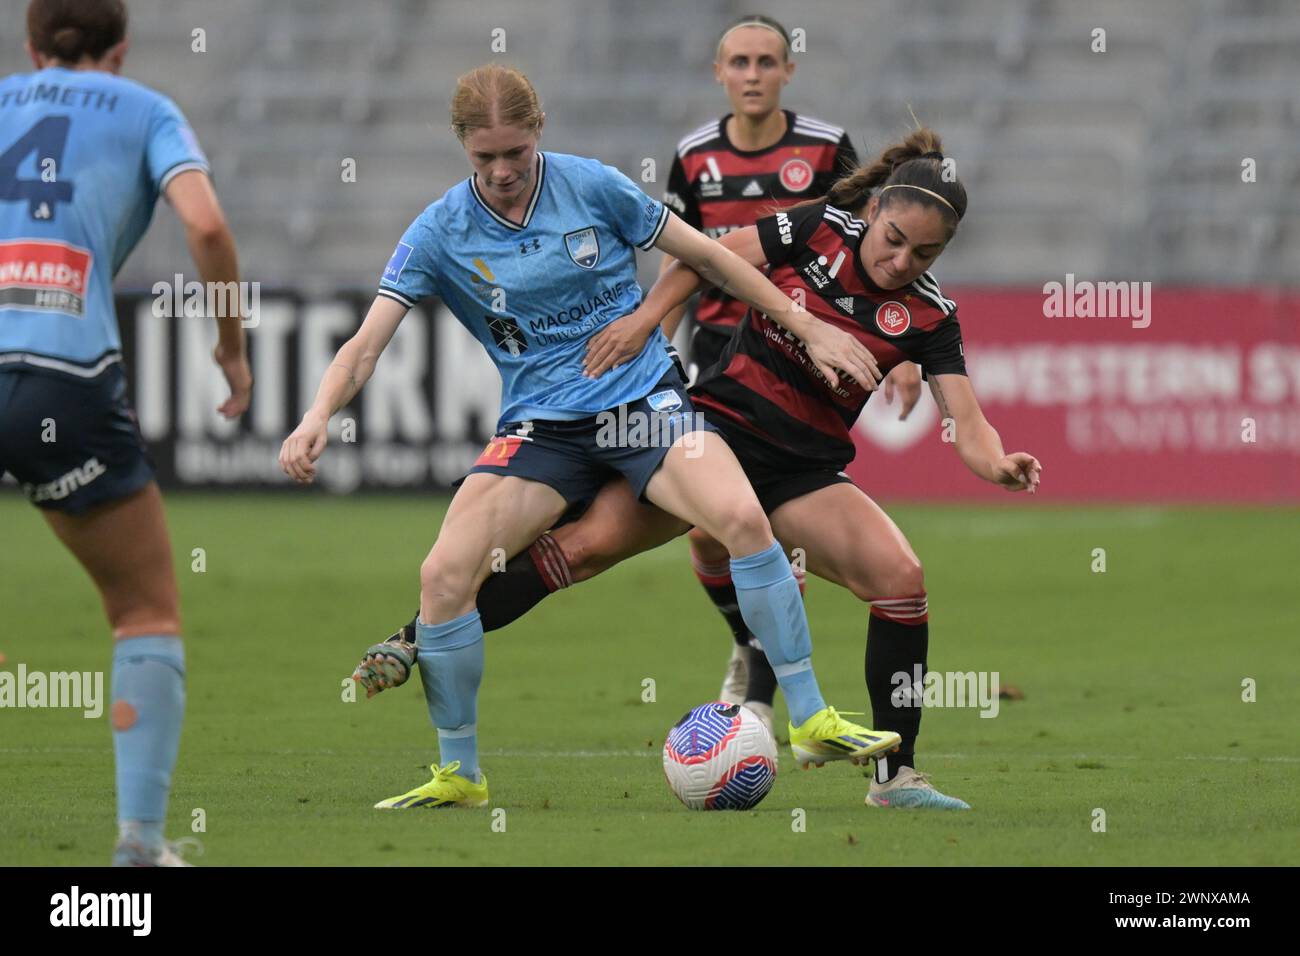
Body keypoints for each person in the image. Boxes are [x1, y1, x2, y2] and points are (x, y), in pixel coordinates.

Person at [354, 126, 1042, 810]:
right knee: (583, 548)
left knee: (903, 581)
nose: (900, 261)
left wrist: (1000, 464)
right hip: (708, 435)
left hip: (802, 473)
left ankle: (897, 777)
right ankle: (417, 634)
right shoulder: (817, 227)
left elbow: (970, 428)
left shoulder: (930, 314)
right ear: (873, 212)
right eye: (894, 239)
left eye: (926, 251)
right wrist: (651, 318)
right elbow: (707, 256)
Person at [280, 63, 903, 811]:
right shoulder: (439, 230)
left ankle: (810, 717)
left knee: (739, 517)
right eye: (486, 158)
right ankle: (460, 774)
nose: (505, 171)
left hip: (643, 404)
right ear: (462, 148)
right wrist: (318, 415)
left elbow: (707, 257)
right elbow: (366, 345)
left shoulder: (592, 186)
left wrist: (808, 327)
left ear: (539, 131)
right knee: (445, 575)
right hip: (542, 428)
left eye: (516, 152)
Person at [0, 0, 251, 864]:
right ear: (120, 49)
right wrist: (230, 350)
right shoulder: (146, 108)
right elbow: (208, 224)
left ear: (32, 48)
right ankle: (139, 848)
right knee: (143, 609)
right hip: (65, 379)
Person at [660, 13, 923, 723]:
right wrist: (653, 335)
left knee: (766, 524)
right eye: (739, 62)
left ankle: (767, 688)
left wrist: (898, 356)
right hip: (717, 351)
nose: (752, 75)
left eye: (766, 62)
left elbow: (869, 246)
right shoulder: (693, 155)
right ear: (719, 72)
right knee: (706, 528)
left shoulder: (825, 148)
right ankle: (753, 644)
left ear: (788, 71)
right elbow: (682, 252)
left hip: (796, 349)